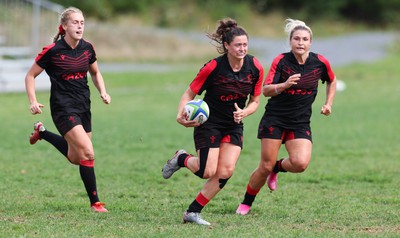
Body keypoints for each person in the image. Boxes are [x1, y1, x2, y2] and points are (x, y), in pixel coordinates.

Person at [162, 18, 263, 225]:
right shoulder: (213, 67)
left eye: (245, 44)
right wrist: (181, 114)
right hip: (209, 123)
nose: (242, 49)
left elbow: (255, 101)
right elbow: (189, 93)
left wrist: (245, 112)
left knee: (225, 172)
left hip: (234, 124)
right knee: (206, 171)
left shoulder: (255, 67)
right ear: (226, 46)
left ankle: (193, 212)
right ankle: (181, 158)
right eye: (238, 45)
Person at [236, 18, 337, 215]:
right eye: (297, 39)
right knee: (264, 167)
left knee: (300, 163)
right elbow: (265, 90)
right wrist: (283, 85)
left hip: (300, 121)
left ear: (310, 42)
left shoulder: (320, 62)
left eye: (305, 39)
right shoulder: (281, 61)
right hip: (275, 119)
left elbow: (332, 81)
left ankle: (277, 168)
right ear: (290, 41)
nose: (301, 43)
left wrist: (328, 104)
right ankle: (246, 203)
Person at [25, 7, 111, 212]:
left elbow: (95, 73)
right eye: (75, 22)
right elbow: (30, 76)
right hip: (63, 108)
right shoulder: (53, 51)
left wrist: (103, 91)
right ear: (64, 26)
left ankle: (42, 133)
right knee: (88, 154)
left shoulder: (88, 48)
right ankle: (95, 203)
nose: (80, 26)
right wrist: (33, 101)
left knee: (76, 158)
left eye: (82, 22)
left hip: (83, 105)